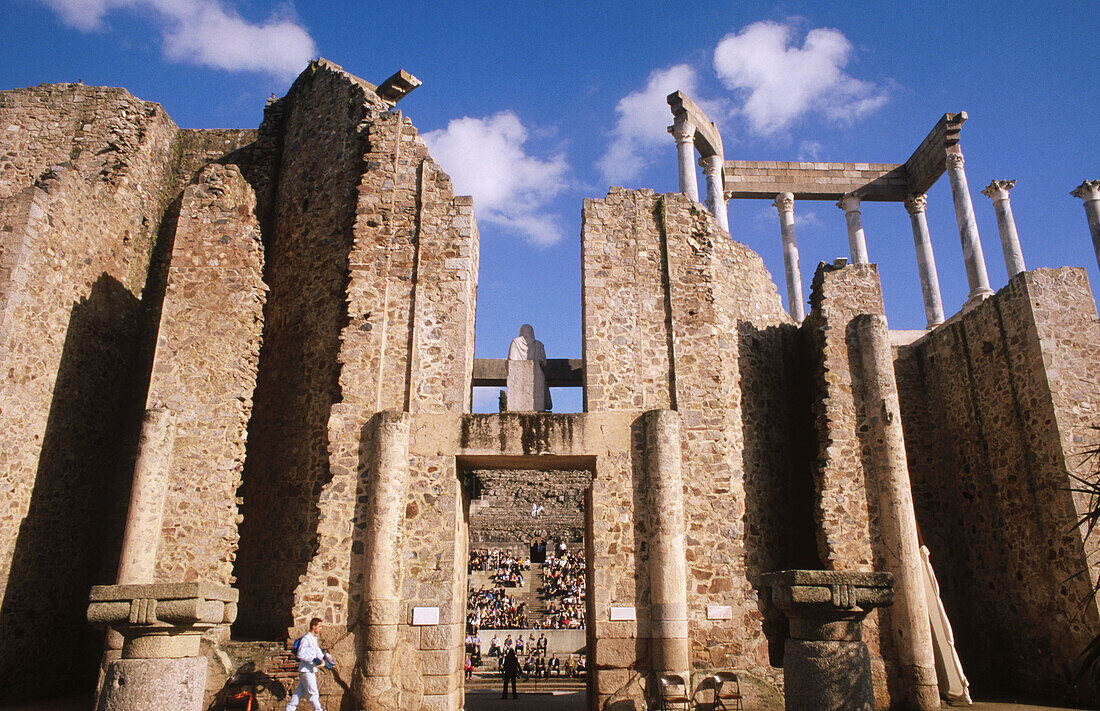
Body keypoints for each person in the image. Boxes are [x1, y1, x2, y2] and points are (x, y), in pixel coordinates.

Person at [286, 617, 326, 711]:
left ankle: (289, 709)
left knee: (298, 692)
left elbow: (318, 652)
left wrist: (325, 659)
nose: (321, 629)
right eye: (319, 626)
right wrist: (313, 659)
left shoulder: (313, 639)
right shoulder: (306, 639)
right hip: (306, 670)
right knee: (313, 692)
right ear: (313, 626)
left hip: (310, 669)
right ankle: (318, 709)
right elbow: (300, 654)